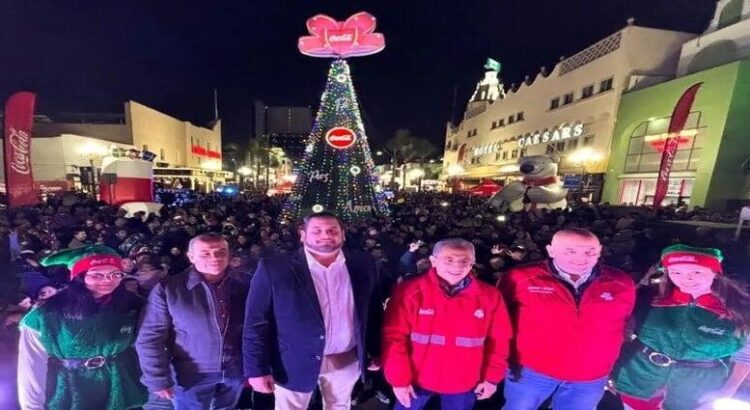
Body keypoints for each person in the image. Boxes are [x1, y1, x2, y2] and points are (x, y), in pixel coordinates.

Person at [243, 211, 379, 410]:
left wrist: (375, 350)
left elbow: (373, 310)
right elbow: (256, 322)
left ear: (343, 234)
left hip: (346, 357)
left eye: (332, 230)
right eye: (317, 230)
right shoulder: (275, 268)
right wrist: (256, 370)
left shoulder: (362, 263)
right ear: (303, 234)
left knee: (340, 406)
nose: (325, 235)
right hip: (292, 362)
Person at [500, 228, 636, 409]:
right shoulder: (520, 278)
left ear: (600, 251)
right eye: (570, 251)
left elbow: (624, 324)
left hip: (591, 376)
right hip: (530, 371)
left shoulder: (621, 282)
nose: (581, 258)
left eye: (590, 252)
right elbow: (499, 323)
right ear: (550, 250)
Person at [613, 244, 750, 410]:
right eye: (676, 272)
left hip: (697, 388)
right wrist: (618, 369)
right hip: (639, 377)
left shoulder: (740, 309)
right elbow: (621, 331)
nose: (687, 279)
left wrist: (727, 391)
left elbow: (744, 355)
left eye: (697, 272)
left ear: (715, 273)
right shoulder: (648, 298)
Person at [382, 238, 512, 410]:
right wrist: (398, 379)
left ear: (472, 263)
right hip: (415, 379)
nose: (456, 266)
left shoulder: (490, 296)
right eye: (449, 260)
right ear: (433, 261)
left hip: (464, 381)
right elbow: (394, 338)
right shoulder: (410, 291)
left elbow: (499, 340)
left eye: (464, 261)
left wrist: (492, 378)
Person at [17, 254, 147, 409]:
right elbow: (32, 365)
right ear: (79, 277)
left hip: (119, 387)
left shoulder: (131, 305)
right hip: (70, 391)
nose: (107, 280)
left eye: (115, 274)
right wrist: (32, 406)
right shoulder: (46, 314)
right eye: (97, 275)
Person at [136, 233, 249, 410]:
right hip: (189, 375)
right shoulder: (169, 289)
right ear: (191, 257)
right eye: (205, 253)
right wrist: (157, 378)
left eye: (221, 252)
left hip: (235, 371)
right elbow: (150, 337)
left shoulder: (246, 283)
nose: (215, 258)